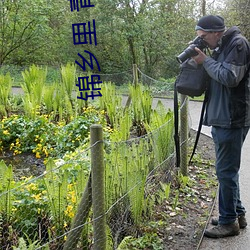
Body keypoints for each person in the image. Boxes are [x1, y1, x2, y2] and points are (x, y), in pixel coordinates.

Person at [192, 15, 250, 238]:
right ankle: (237, 214)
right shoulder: (221, 46)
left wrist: (205, 61)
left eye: (204, 37)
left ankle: (228, 223)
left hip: (232, 118)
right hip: (222, 117)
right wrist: (202, 59)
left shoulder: (238, 44)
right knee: (227, 171)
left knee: (225, 171)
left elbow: (229, 77)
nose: (203, 41)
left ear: (216, 32)